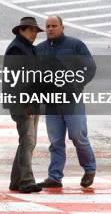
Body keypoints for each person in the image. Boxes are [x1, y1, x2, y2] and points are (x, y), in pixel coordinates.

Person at [36, 16, 97, 189]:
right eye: (47, 26)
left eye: (54, 26)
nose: (50, 29)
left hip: (72, 100)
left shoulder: (75, 45)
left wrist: (77, 84)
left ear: (62, 27)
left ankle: (89, 168)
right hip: (51, 103)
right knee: (55, 141)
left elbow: (90, 67)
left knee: (78, 137)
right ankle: (54, 177)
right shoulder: (40, 49)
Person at [4, 17, 44, 193]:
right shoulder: (17, 49)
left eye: (35, 31)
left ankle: (16, 180)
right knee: (28, 141)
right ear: (21, 30)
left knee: (28, 142)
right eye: (31, 30)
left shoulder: (28, 49)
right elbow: (17, 81)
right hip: (24, 103)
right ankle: (26, 180)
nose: (34, 33)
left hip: (32, 102)